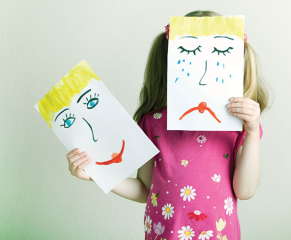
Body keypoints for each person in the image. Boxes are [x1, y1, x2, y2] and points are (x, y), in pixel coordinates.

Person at [66, 10, 270, 240]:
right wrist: (98, 173)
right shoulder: (152, 122)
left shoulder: (239, 125)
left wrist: (252, 132)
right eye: (189, 54)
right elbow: (144, 189)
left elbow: (245, 190)